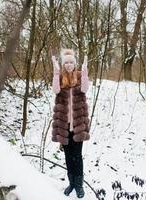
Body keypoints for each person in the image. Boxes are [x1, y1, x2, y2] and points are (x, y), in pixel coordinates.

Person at [51, 49, 90, 198]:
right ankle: (71, 183)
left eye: (71, 62)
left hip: (78, 126)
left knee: (77, 156)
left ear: (75, 64)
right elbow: (55, 90)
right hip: (64, 126)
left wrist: (85, 72)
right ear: (63, 64)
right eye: (66, 62)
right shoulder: (60, 77)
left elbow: (85, 89)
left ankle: (79, 186)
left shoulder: (80, 76)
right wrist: (55, 72)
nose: (68, 65)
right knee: (68, 157)